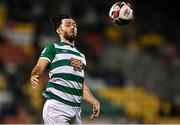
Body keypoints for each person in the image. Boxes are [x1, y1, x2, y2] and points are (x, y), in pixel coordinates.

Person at [30, 14, 100, 124]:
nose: (72, 27)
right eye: (68, 25)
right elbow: (39, 66)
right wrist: (35, 74)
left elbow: (80, 84)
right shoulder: (53, 48)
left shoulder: (81, 55)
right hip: (57, 107)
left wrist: (94, 101)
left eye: (74, 25)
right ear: (59, 30)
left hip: (76, 109)